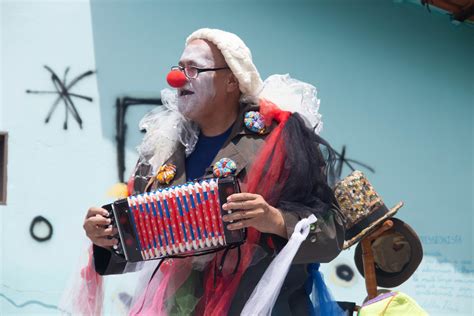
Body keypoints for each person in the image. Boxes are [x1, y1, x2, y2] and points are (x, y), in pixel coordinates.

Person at [83, 28, 345, 315]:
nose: (179, 78)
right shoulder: (161, 147)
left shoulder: (281, 140)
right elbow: (140, 248)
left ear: (232, 80)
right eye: (179, 68)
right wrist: (107, 238)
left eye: (194, 69)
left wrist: (275, 220)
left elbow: (333, 235)